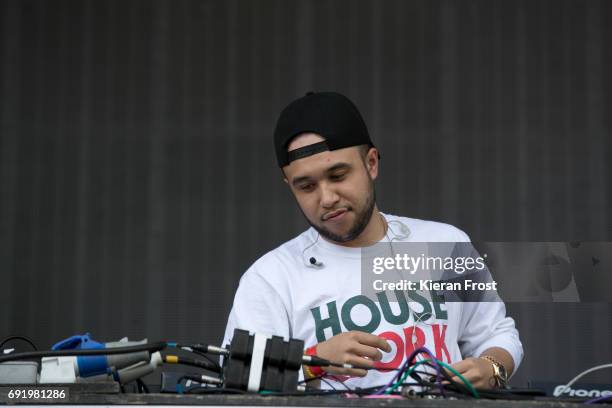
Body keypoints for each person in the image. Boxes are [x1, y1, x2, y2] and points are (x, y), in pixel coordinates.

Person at [223, 91, 523, 390]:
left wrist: (492, 367)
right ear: (289, 186)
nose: (326, 198)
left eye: (338, 175)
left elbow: (497, 335)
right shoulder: (271, 277)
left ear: (371, 163)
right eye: (306, 186)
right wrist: (313, 361)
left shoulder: (445, 243)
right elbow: (236, 377)